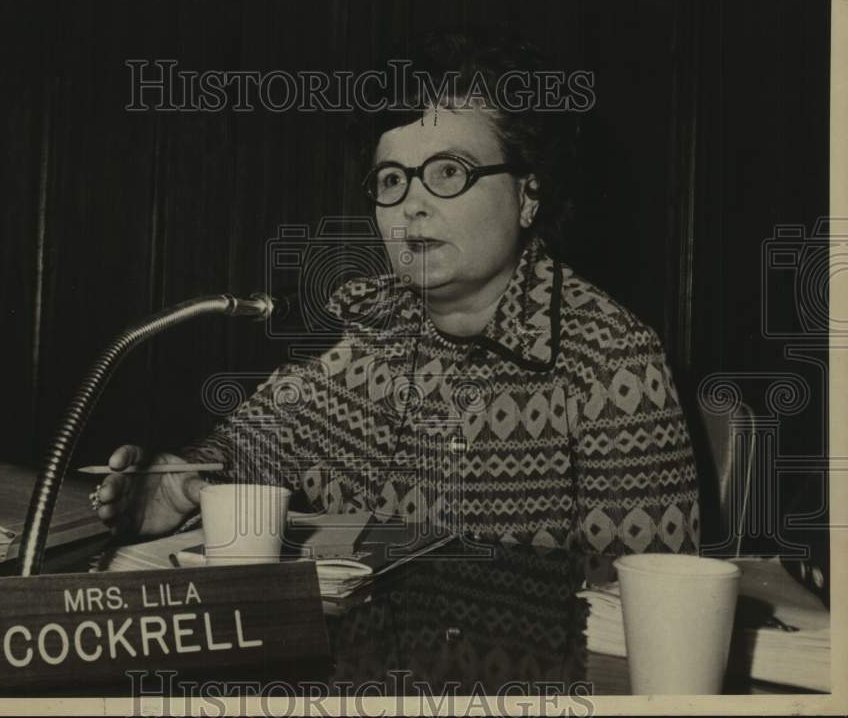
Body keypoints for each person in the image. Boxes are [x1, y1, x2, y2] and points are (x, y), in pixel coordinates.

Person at [96, 30, 701, 556]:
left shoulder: (611, 360)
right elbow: (255, 445)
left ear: (528, 194)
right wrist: (185, 480)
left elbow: (645, 600)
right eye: (392, 179)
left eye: (448, 172)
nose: (412, 204)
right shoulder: (368, 325)